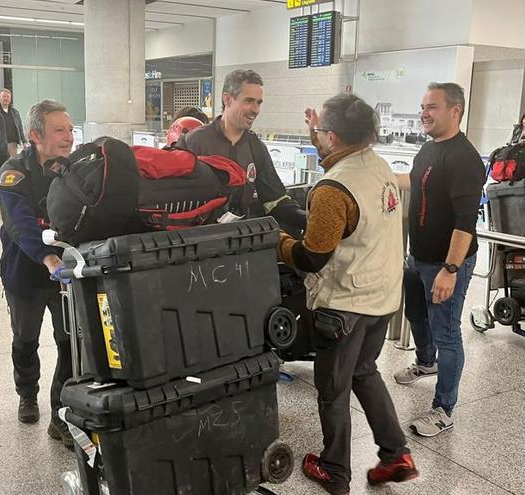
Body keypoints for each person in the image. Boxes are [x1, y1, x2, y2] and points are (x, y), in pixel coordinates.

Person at [280, 94, 418, 494]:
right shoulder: (379, 167)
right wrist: (316, 129)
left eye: (320, 131)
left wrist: (278, 241)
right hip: (383, 299)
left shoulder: (332, 188)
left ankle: (334, 471)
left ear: (334, 136)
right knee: (365, 372)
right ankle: (396, 456)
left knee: (334, 390)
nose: (317, 136)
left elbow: (313, 257)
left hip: (344, 307)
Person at [392, 82, 485, 437]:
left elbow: (466, 221)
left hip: (446, 263)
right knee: (417, 314)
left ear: (455, 111)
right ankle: (425, 362)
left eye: (431, 107)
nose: (423, 113)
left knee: (447, 333)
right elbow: (414, 182)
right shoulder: (429, 150)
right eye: (422, 106)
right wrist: (374, 177)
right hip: (419, 258)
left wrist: (450, 269)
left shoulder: (463, 158)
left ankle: (444, 408)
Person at [0, 99, 74, 447]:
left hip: (66, 277)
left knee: (70, 343)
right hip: (25, 275)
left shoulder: (72, 170)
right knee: (25, 341)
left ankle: (60, 415)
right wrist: (48, 259)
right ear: (35, 135)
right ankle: (27, 393)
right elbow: (20, 224)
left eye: (70, 129)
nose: (68, 137)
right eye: (59, 130)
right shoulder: (14, 173)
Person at [178, 69, 306, 233]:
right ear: (227, 99)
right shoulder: (195, 141)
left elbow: (275, 200)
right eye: (249, 101)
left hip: (240, 241)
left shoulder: (256, 147)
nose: (255, 109)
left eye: (259, 102)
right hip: (197, 241)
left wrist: (308, 220)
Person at [0, 89, 27, 158]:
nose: (6, 98)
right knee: (1, 165)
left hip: (13, 145)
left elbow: (20, 127)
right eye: (4, 96)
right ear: (0, 98)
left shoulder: (15, 112)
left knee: (13, 165)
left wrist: (24, 142)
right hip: (0, 145)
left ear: (10, 99)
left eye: (8, 97)